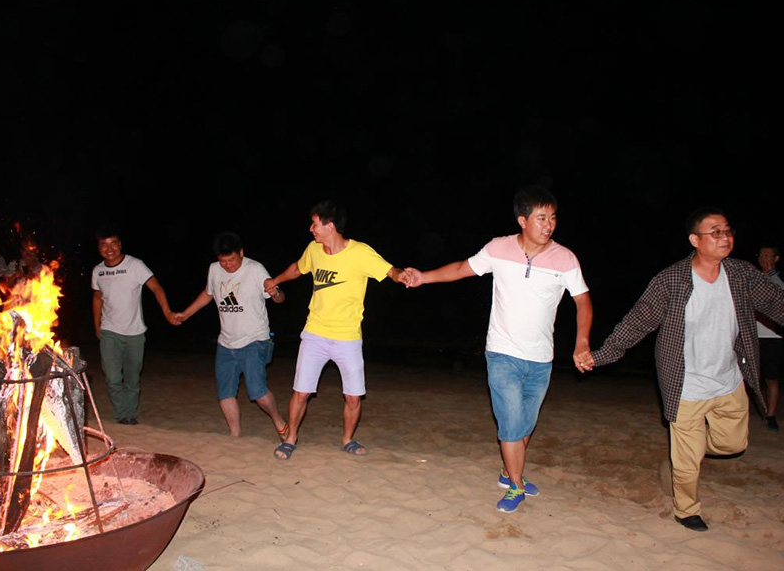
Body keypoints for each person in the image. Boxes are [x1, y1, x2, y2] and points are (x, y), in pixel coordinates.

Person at [579, 207, 784, 532]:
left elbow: (781, 304)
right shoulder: (671, 280)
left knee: (734, 445)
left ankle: (684, 456)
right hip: (686, 385)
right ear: (694, 240)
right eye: (715, 232)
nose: (724, 237)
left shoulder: (742, 275)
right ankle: (686, 509)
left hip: (729, 381)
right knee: (687, 461)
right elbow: (637, 323)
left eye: (727, 231)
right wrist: (602, 355)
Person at [402, 185, 594, 513]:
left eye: (553, 218)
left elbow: (583, 301)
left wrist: (582, 342)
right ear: (522, 220)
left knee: (524, 426)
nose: (549, 225)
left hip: (541, 359)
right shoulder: (498, 248)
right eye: (541, 218)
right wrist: (424, 277)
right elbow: (461, 268)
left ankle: (508, 472)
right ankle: (516, 486)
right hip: (503, 353)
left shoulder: (565, 258)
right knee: (511, 424)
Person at [263, 200, 405, 460]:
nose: (311, 229)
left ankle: (347, 439)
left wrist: (401, 276)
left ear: (330, 226)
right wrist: (276, 280)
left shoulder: (360, 252)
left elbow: (389, 270)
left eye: (314, 224)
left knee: (353, 397)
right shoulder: (313, 250)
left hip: (347, 337)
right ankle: (290, 438)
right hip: (315, 333)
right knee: (301, 392)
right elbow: (297, 268)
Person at [172, 232, 288, 438]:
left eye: (232, 260)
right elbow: (208, 294)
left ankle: (278, 420)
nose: (227, 265)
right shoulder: (214, 269)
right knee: (225, 393)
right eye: (223, 261)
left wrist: (275, 292)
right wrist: (186, 314)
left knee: (258, 392)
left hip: (254, 340)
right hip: (226, 342)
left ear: (241, 253)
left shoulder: (255, 269)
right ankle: (234, 435)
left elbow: (280, 299)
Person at [91, 226, 176, 425]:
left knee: (132, 377)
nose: (109, 249)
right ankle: (122, 415)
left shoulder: (135, 265)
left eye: (113, 243)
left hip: (135, 332)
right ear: (99, 248)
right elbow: (97, 298)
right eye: (104, 245)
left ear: (120, 245)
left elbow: (156, 288)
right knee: (112, 377)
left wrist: (167, 312)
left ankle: (130, 414)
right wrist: (96, 325)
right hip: (109, 330)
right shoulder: (98, 271)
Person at [755, 244, 784, 432]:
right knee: (742, 376)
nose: (764, 259)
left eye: (768, 255)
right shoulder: (752, 277)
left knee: (771, 378)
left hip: (773, 336)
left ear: (776, 258)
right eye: (761, 255)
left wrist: (772, 275)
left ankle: (771, 416)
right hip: (750, 334)